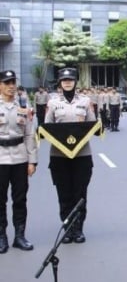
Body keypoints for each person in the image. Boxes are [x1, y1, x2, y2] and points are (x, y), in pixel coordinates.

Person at [44, 68, 96, 244]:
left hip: (82, 155)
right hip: (59, 156)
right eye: (64, 79)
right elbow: (47, 127)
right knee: (64, 192)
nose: (67, 82)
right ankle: (67, 228)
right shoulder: (52, 103)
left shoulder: (86, 101)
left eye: (70, 79)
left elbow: (92, 125)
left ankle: (78, 228)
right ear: (59, 82)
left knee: (80, 193)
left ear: (76, 81)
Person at [0, 70, 37, 253]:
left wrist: (32, 161)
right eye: (7, 83)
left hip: (20, 157)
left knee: (20, 199)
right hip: (0, 158)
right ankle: (1, 236)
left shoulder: (23, 104)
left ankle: (19, 236)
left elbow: (30, 134)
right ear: (0, 85)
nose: (11, 86)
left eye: (13, 82)